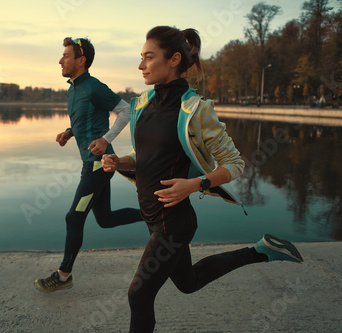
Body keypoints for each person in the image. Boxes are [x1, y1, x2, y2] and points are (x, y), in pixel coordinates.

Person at [101, 26, 303, 333]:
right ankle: (261, 251)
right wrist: (120, 161)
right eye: (141, 57)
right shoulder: (141, 104)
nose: (141, 65)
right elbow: (144, 156)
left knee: (138, 294)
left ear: (173, 59)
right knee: (189, 282)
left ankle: (260, 251)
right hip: (152, 215)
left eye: (148, 57)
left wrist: (193, 184)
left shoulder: (195, 109)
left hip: (173, 223)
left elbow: (235, 164)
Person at [34, 37, 142, 293]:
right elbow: (87, 118)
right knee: (105, 219)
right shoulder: (73, 89)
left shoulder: (93, 87)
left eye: (66, 56)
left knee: (73, 217)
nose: (61, 60)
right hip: (93, 165)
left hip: (98, 165)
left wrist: (105, 140)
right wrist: (70, 132)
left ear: (80, 60)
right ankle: (152, 215)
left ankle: (63, 275)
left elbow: (126, 111)